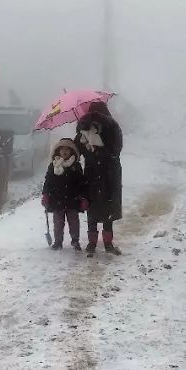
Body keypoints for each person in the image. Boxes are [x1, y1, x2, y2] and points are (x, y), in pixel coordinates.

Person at [75, 101, 123, 256]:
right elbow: (78, 149)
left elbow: (115, 150)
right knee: (94, 207)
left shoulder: (111, 128)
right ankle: (95, 242)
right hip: (97, 173)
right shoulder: (86, 128)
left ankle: (103, 242)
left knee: (104, 207)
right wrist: (85, 142)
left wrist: (97, 150)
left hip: (105, 173)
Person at [41, 138, 88, 250]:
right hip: (57, 199)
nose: (65, 151)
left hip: (73, 199)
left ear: (72, 151)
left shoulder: (75, 166)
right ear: (58, 151)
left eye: (68, 149)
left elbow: (81, 182)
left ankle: (75, 241)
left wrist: (82, 196)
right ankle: (58, 242)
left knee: (74, 222)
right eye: (62, 149)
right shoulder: (53, 166)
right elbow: (48, 181)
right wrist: (46, 194)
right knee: (58, 223)